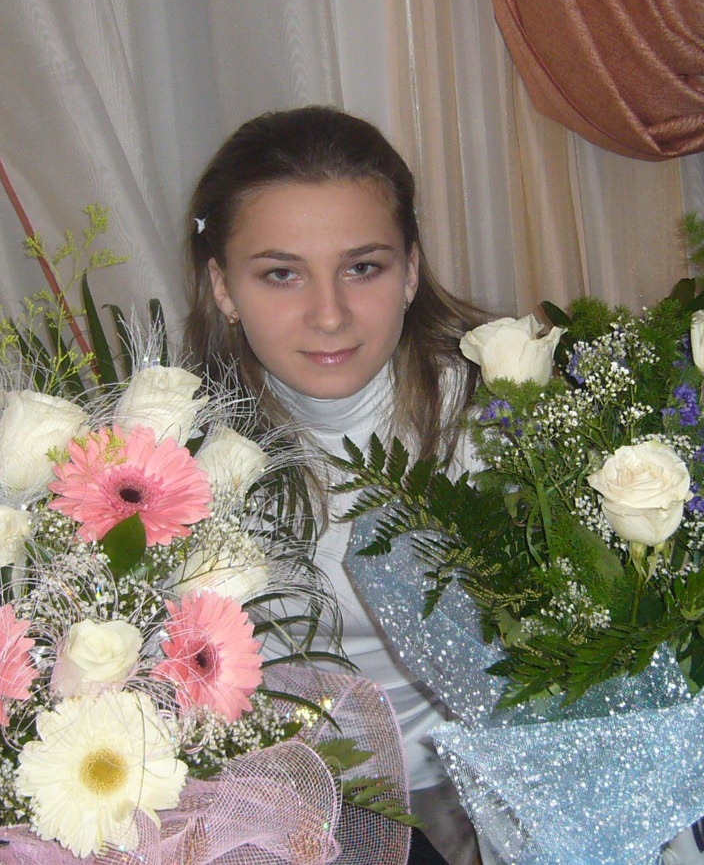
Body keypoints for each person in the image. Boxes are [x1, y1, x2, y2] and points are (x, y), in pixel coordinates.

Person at [183, 106, 494, 865]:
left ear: (411, 269)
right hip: (279, 805)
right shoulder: (171, 461)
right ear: (223, 286)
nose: (329, 315)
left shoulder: (499, 416)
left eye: (362, 268)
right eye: (281, 274)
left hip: (489, 789)